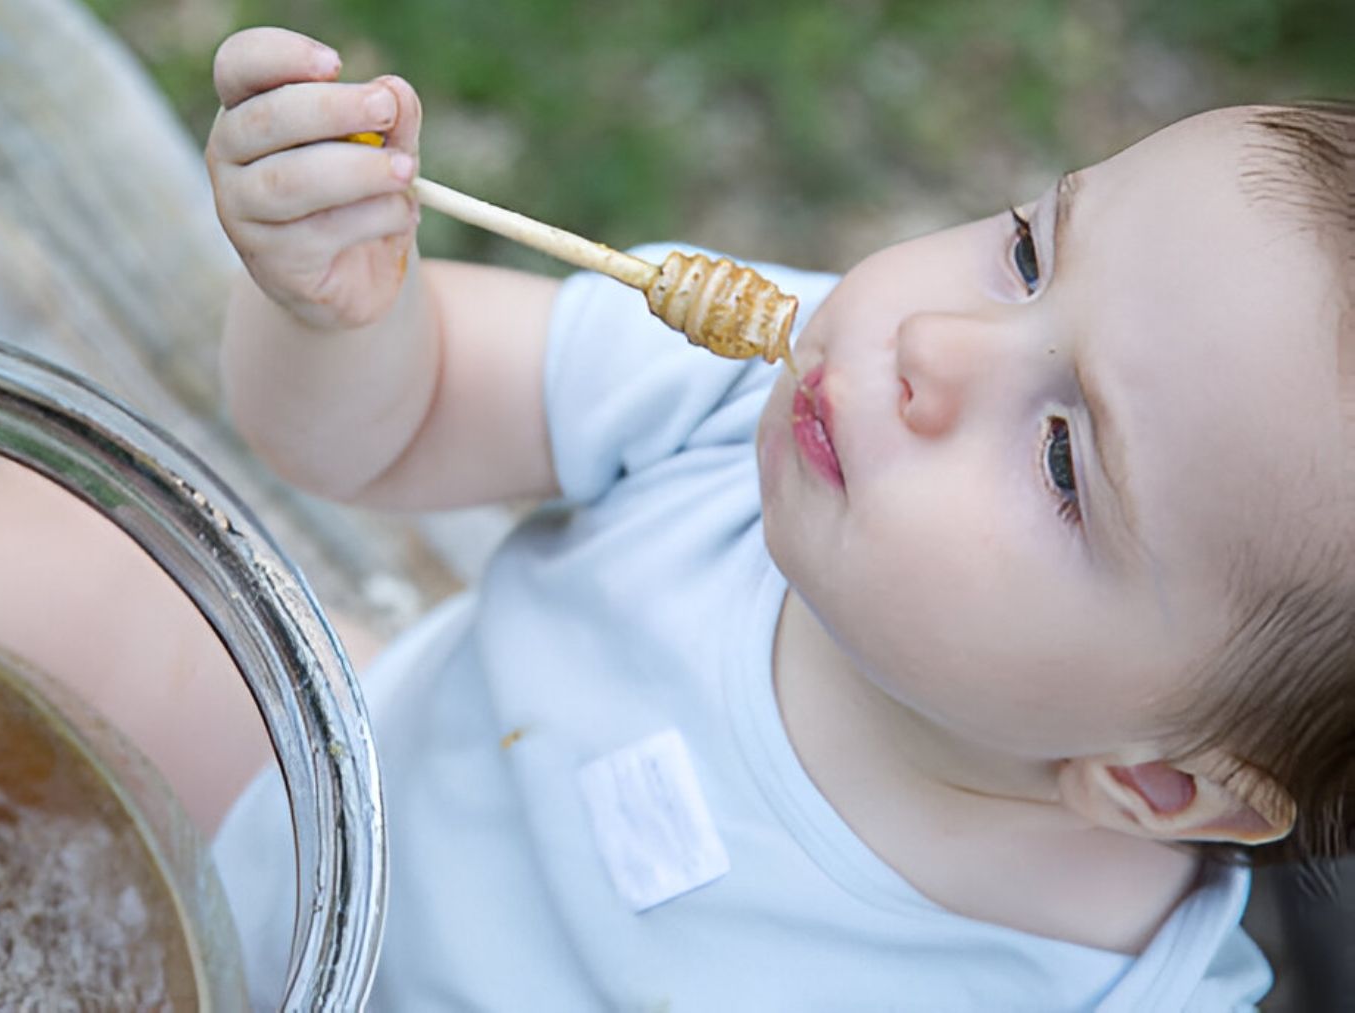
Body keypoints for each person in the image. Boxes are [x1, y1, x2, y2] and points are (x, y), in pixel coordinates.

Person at [199, 24, 1355, 1010]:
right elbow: (399, 414)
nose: (934, 346)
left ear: (1161, 784)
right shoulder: (771, 382)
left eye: (1062, 456)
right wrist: (333, 314)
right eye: (1026, 254)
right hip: (274, 872)